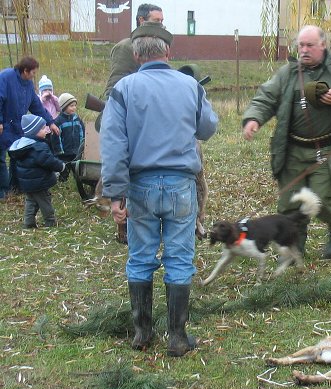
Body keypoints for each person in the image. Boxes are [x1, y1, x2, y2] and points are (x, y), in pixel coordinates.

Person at [100, 23, 218, 357]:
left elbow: (112, 145)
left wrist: (115, 194)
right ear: (168, 52)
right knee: (180, 258)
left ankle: (142, 333)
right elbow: (208, 128)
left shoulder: (123, 89)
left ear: (136, 54)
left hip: (140, 186)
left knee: (140, 257)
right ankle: (178, 337)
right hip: (181, 185)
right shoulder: (189, 86)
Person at [242, 25, 331, 259]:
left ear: (323, 45)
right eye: (301, 45)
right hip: (292, 150)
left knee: (321, 200)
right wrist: (254, 118)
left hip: (327, 150)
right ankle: (295, 250)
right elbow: (266, 97)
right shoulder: (288, 73)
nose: (304, 50)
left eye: (309, 45)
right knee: (289, 205)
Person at [0, 56, 60, 199]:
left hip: (17, 125)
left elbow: (36, 106)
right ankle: (3, 190)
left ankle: (16, 186)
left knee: (17, 155)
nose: (34, 75)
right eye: (33, 72)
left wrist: (50, 122)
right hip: (4, 124)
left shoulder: (27, 84)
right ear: (25, 71)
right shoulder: (5, 78)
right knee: (1, 158)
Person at [8, 114, 65, 228]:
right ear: (34, 131)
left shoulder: (21, 145)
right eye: (43, 128)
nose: (46, 130)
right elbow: (49, 161)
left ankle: (28, 222)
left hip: (26, 182)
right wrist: (61, 166)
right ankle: (50, 221)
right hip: (39, 182)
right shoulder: (38, 147)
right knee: (45, 201)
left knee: (31, 201)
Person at [103, 3, 163, 98]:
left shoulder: (159, 46)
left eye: (161, 21)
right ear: (142, 20)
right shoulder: (126, 47)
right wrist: (111, 108)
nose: (160, 24)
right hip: (132, 104)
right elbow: (115, 84)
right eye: (156, 20)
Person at [51, 93, 85, 181]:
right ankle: (63, 181)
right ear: (64, 107)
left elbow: (82, 132)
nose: (74, 108)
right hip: (64, 153)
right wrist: (59, 150)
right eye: (71, 106)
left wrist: (82, 145)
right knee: (64, 169)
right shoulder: (59, 121)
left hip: (76, 150)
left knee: (77, 168)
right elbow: (56, 138)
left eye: (75, 105)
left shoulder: (77, 119)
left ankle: (78, 181)